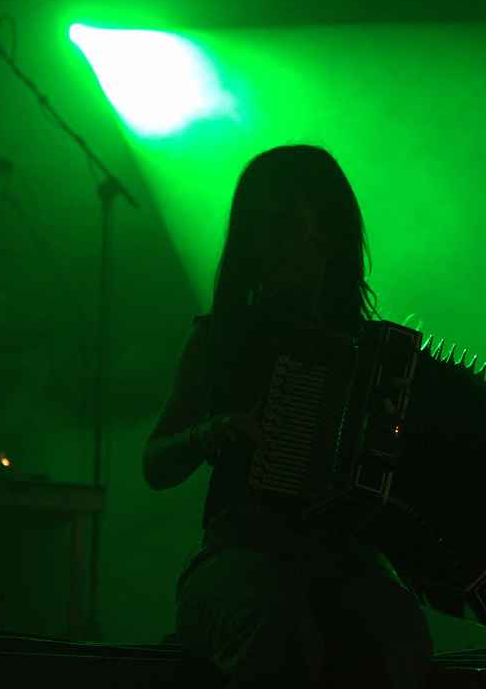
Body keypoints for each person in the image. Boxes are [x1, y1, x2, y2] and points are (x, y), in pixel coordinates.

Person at [143, 145, 436, 688]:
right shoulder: (219, 338)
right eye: (278, 229)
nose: (297, 246)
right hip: (237, 554)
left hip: (347, 561)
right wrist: (211, 433)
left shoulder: (378, 358)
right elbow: (155, 464)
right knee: (273, 624)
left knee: (398, 630)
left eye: (310, 230)